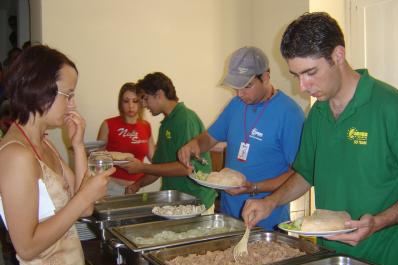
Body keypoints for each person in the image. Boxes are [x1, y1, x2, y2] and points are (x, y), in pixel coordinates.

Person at [242, 12, 398, 265]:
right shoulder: (317, 113)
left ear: (338, 55)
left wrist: (378, 222)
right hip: (331, 261)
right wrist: (271, 201)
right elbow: (306, 173)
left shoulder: (390, 107)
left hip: (386, 264)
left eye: (310, 72)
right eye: (296, 75)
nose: (302, 86)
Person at [0, 45, 115, 265]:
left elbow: (84, 207)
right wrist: (85, 197)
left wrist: (77, 146)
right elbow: (27, 246)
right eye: (69, 95)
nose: (73, 104)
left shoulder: (44, 142)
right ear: (41, 89)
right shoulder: (15, 155)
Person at [178, 46, 304, 230]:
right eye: (236, 87)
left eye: (247, 86)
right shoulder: (236, 105)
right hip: (228, 217)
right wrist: (194, 144)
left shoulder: (289, 114)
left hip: (266, 222)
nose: (240, 94)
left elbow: (298, 174)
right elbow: (209, 138)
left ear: (266, 77)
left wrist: (254, 187)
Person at [120, 72, 216, 209]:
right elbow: (158, 168)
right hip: (175, 203)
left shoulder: (185, 119)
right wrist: (138, 184)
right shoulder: (166, 125)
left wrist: (141, 167)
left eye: (146, 99)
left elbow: (186, 168)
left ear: (158, 95)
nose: (144, 105)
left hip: (196, 203)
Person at [97, 82, 155, 196]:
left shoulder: (146, 126)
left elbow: (154, 158)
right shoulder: (108, 124)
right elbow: (98, 159)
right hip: (111, 188)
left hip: (138, 188)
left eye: (135, 101)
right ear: (120, 103)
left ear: (141, 103)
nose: (131, 105)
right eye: (126, 101)